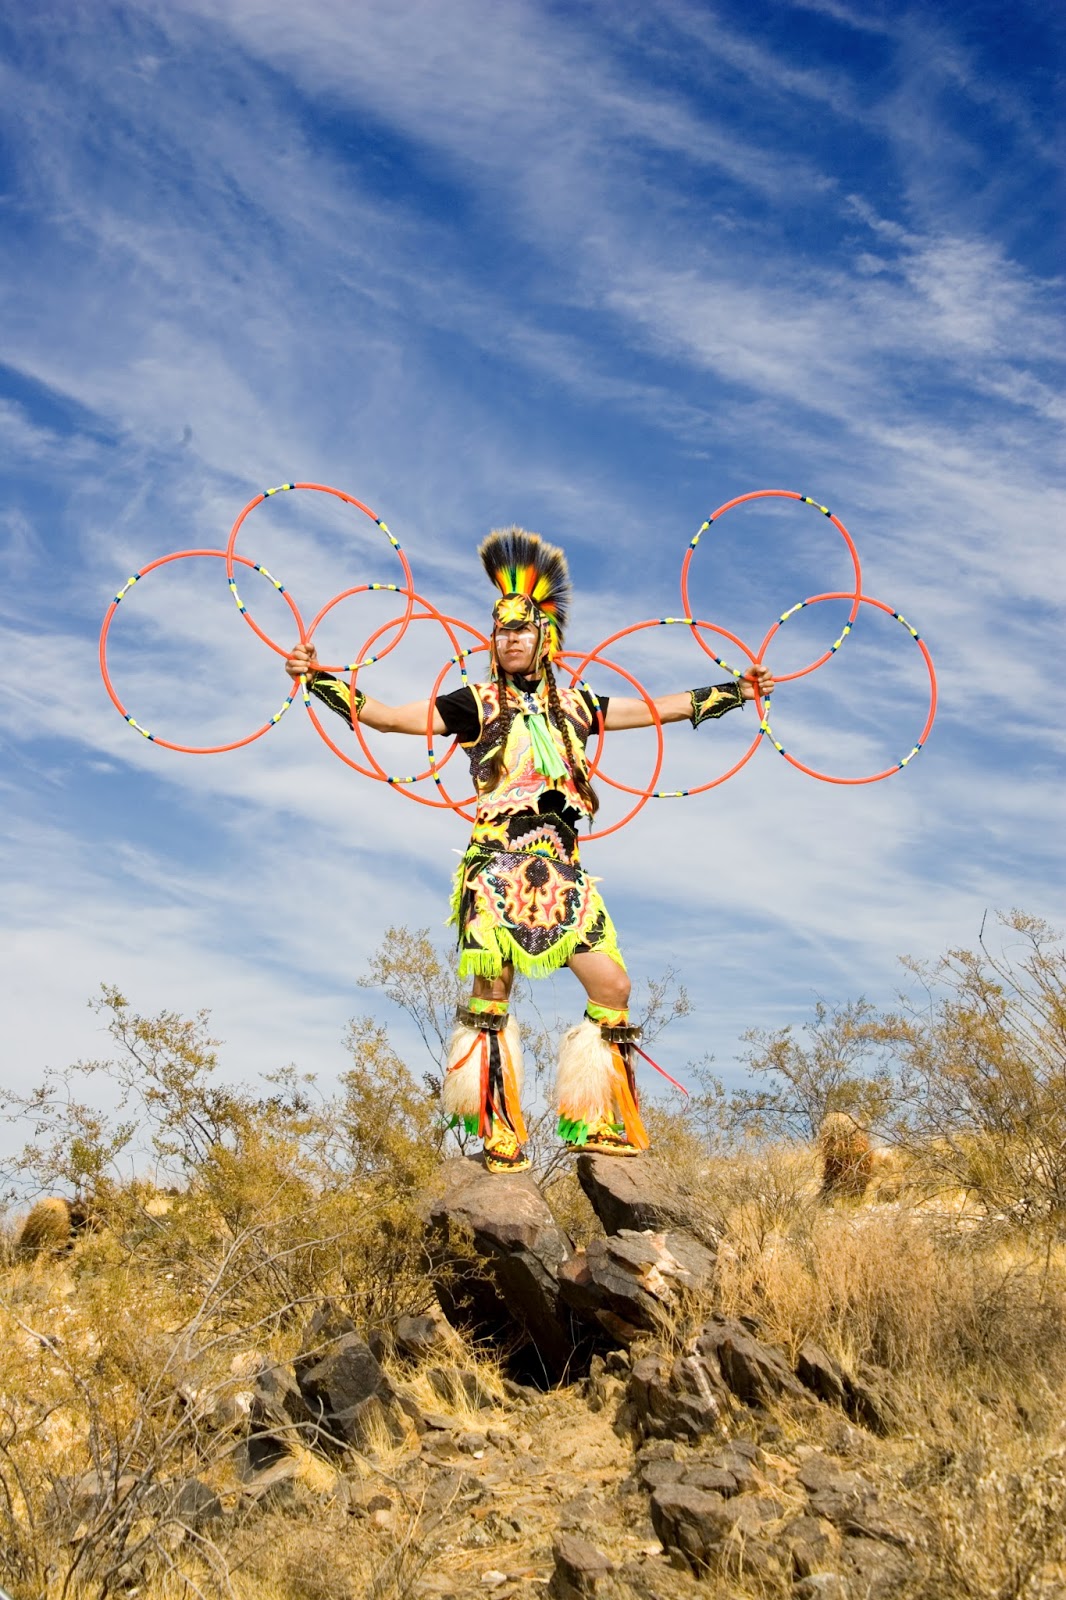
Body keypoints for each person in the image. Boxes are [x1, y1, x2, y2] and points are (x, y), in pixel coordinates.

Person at [286, 527, 773, 1173]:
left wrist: (738, 691)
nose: (511, 637)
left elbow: (661, 709)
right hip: (497, 867)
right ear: (491, 640)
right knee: (491, 994)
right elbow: (386, 717)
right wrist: (316, 677)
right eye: (500, 629)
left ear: (545, 638)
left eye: (523, 628)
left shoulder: (576, 705)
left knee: (614, 984)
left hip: (565, 873)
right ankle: (497, 1129)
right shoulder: (475, 703)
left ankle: (597, 1120)